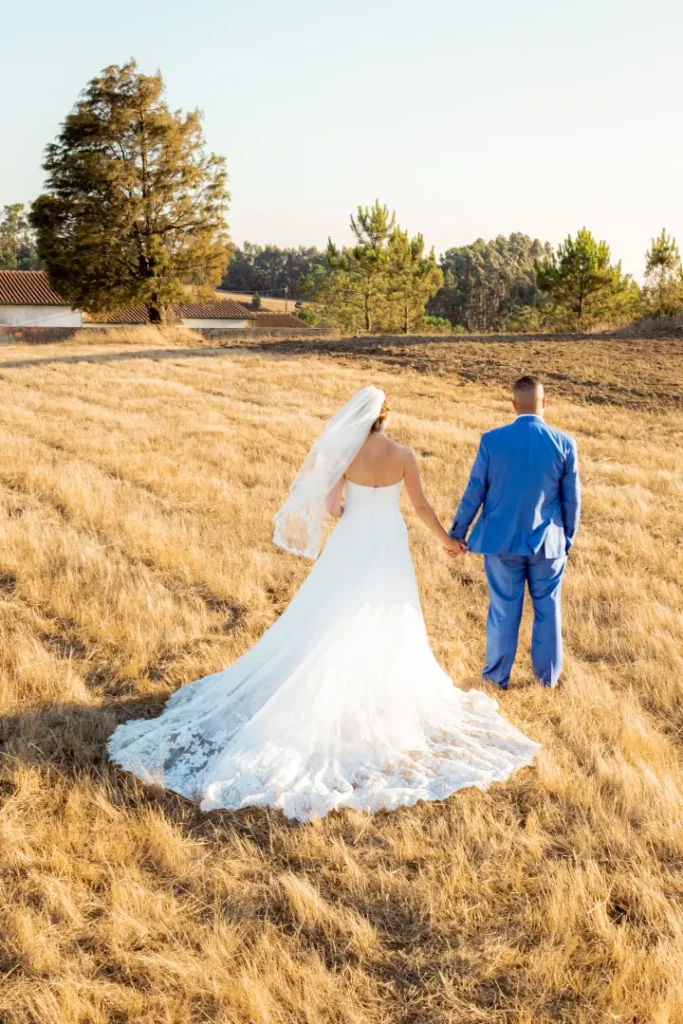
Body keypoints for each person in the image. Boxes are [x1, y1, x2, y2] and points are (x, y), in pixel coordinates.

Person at [108, 386, 539, 821]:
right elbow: (422, 507)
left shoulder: (347, 454)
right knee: (386, 614)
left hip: (353, 539)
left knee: (332, 612)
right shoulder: (404, 455)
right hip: (388, 539)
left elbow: (331, 507)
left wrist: (349, 504)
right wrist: (448, 540)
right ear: (386, 419)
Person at [448, 376, 580, 690]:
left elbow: (474, 491)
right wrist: (567, 538)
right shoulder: (564, 443)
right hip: (548, 544)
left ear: (513, 404)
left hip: (501, 542)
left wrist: (457, 532)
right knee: (548, 608)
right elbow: (572, 499)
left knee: (504, 610)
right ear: (544, 403)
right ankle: (546, 679)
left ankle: (496, 678)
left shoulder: (492, 441)